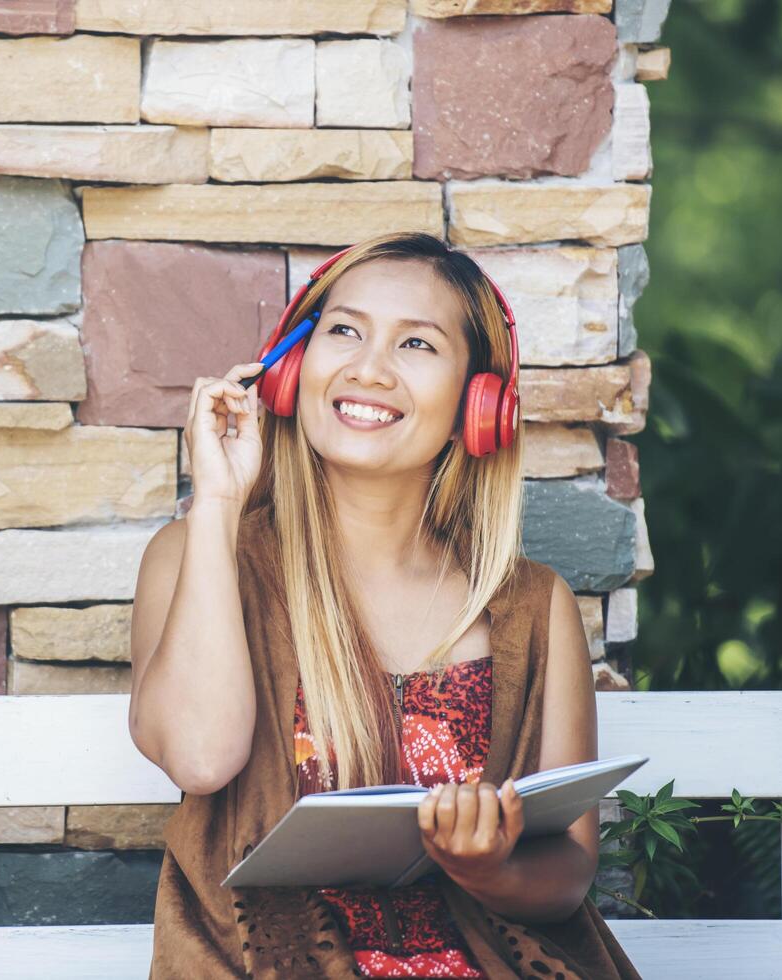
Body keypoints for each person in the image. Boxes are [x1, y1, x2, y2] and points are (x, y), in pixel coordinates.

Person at [129, 232, 643, 979]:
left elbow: (565, 876)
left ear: (480, 404)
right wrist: (216, 502)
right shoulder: (196, 555)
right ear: (289, 370)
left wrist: (487, 867)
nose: (368, 369)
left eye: (416, 345)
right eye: (343, 330)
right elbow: (200, 759)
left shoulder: (534, 608)